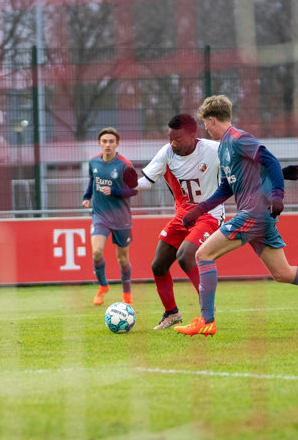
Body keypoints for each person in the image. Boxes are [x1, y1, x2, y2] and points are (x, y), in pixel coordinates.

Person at [175, 95, 298, 336]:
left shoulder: (239, 139)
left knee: (203, 254)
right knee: (282, 273)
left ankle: (206, 321)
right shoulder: (224, 149)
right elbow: (227, 187)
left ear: (211, 119)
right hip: (257, 215)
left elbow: (270, 161)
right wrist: (200, 210)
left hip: (255, 212)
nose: (205, 130)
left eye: (205, 124)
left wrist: (277, 196)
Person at [134, 114, 223, 329]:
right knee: (158, 265)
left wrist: (277, 173)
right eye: (170, 138)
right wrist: (127, 185)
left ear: (193, 135)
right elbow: (145, 182)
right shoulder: (167, 152)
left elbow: (246, 162)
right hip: (182, 216)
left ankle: (206, 313)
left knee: (185, 256)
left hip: (209, 214)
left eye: (178, 139)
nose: (172, 143)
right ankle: (171, 313)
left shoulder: (214, 150)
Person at [81, 127, 138, 305]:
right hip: (100, 216)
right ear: (99, 143)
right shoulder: (93, 162)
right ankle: (103, 286)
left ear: (117, 143)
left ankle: (127, 292)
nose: (107, 144)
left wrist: (113, 191)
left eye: (111, 141)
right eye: (104, 141)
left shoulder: (125, 164)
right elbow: (93, 180)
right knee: (97, 251)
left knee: (122, 259)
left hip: (121, 218)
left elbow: (134, 190)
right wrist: (87, 196)